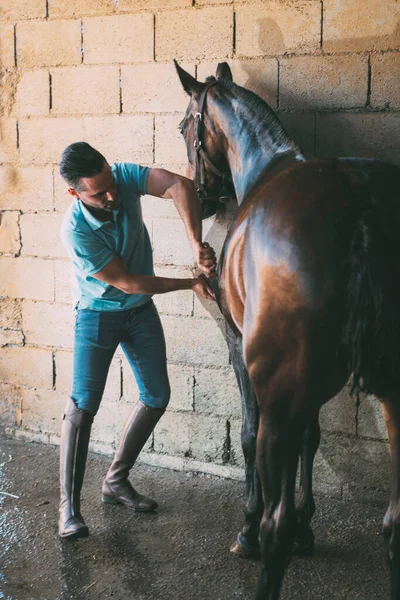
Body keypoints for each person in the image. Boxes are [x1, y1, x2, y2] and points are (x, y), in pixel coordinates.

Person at [58, 142, 216, 540]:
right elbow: (128, 281)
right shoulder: (76, 230)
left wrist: (195, 242)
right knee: (82, 406)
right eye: (99, 192)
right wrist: (189, 284)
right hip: (97, 316)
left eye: (111, 182)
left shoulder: (123, 178)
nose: (112, 195)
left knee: (156, 395)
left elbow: (180, 185)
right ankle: (69, 511)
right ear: (75, 193)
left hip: (139, 313)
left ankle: (115, 481)